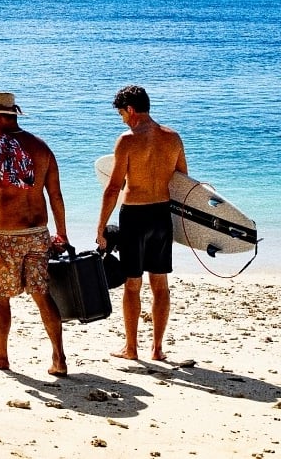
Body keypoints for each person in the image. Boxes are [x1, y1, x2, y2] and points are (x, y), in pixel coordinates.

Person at [0, 91, 69, 376]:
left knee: (0, 298)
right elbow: (56, 196)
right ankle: (59, 359)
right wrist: (61, 233)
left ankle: (1, 357)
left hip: (8, 236)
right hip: (39, 233)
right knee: (42, 294)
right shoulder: (42, 148)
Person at [96, 85, 187, 361]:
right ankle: (157, 349)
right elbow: (183, 180)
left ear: (131, 110)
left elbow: (113, 188)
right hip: (161, 216)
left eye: (122, 113)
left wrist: (101, 227)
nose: (122, 118)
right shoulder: (173, 138)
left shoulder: (127, 140)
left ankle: (131, 348)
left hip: (134, 217)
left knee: (132, 285)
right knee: (160, 284)